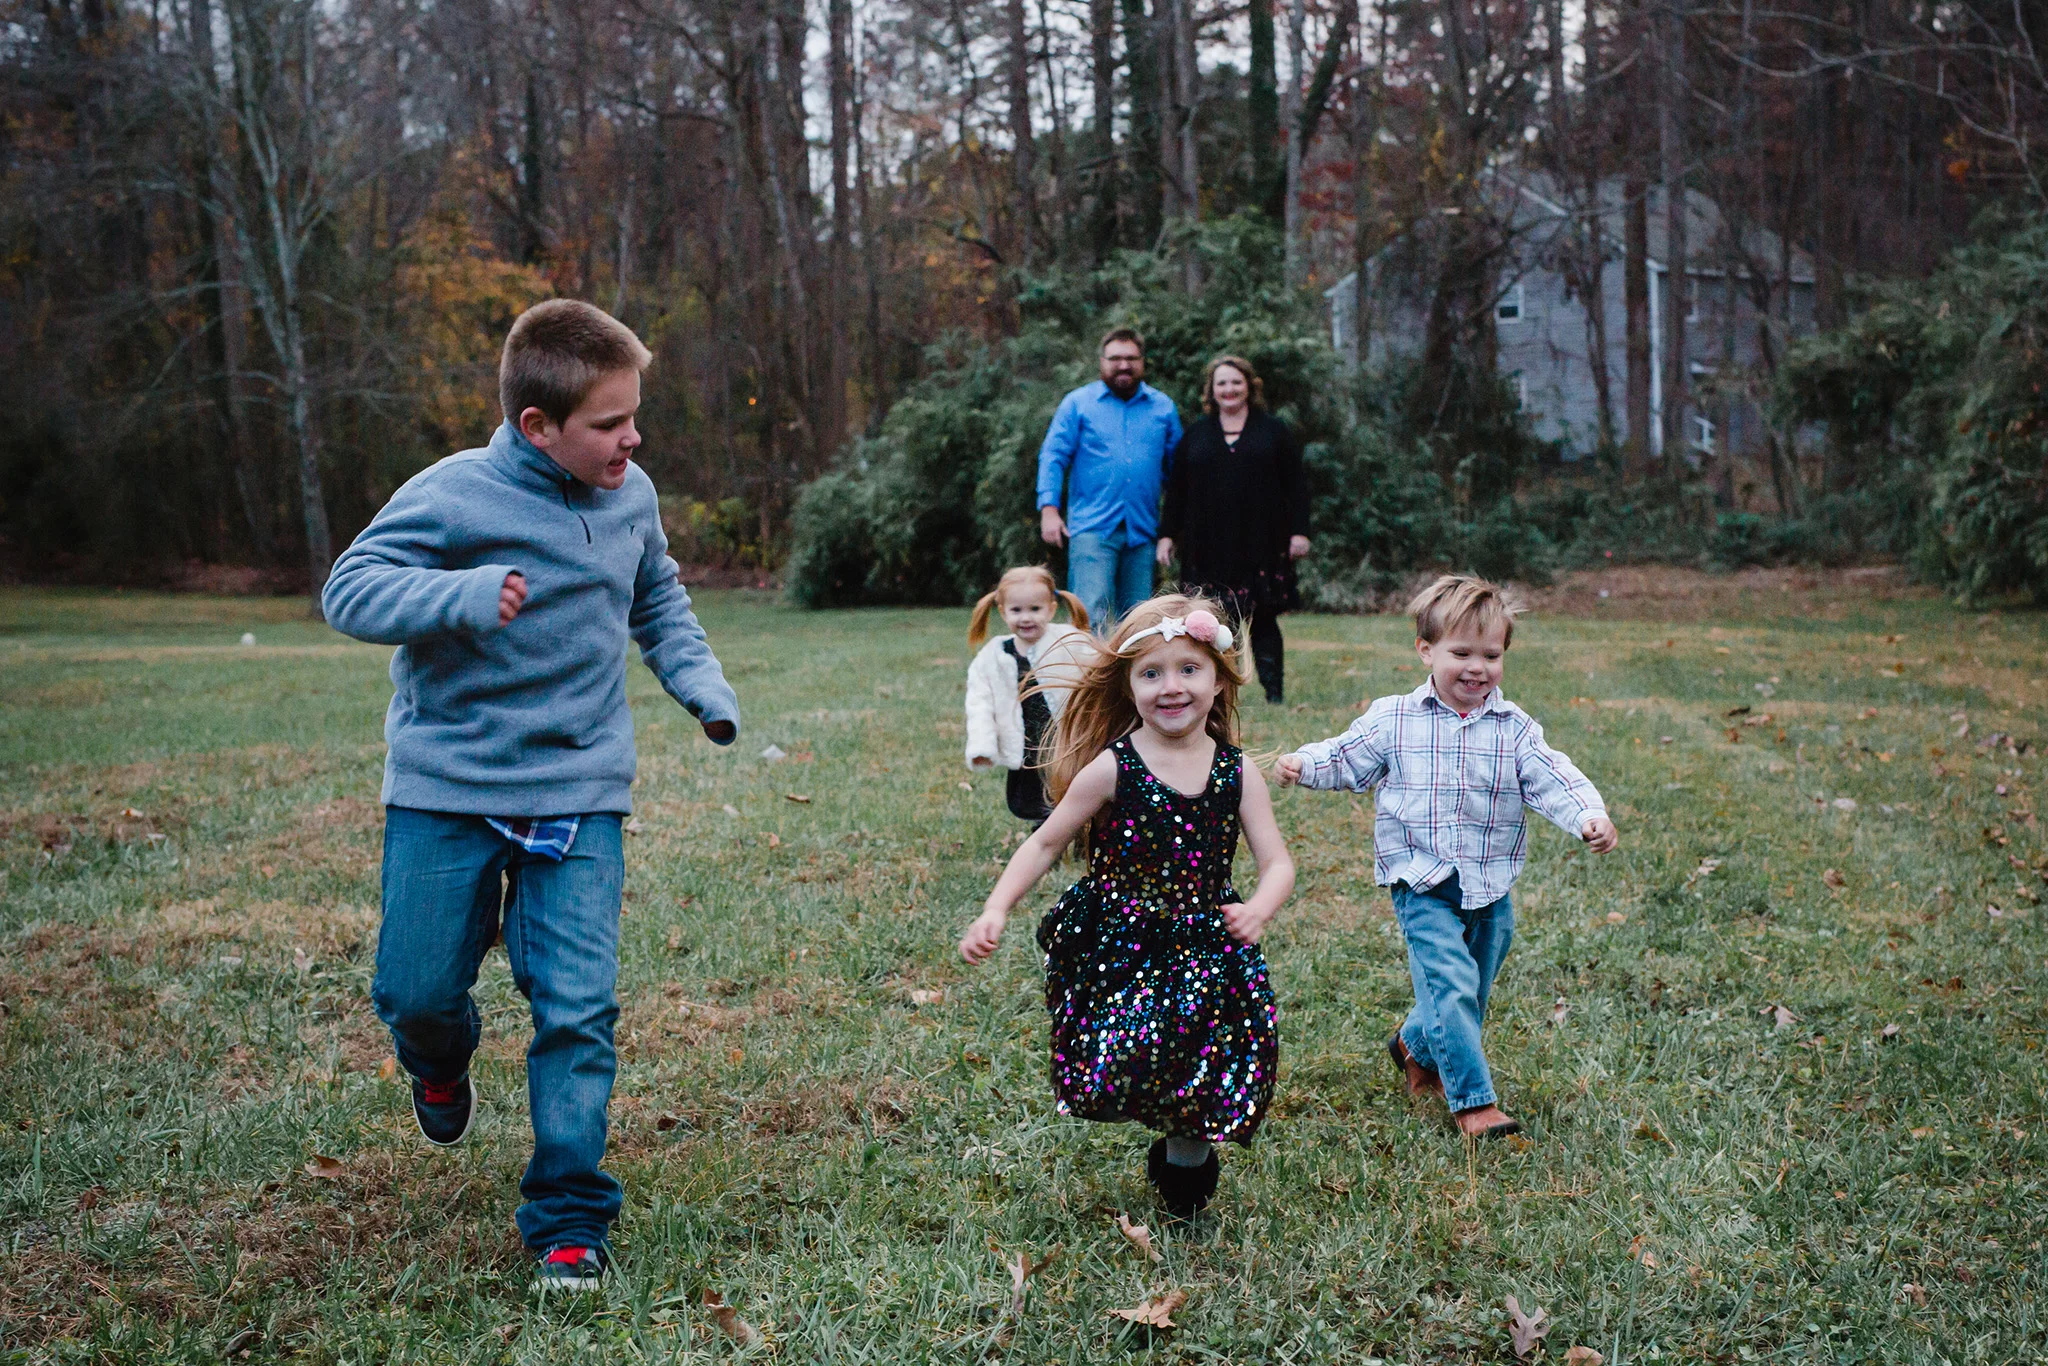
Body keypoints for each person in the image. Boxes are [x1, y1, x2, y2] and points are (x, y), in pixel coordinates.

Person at [321, 299, 742, 1291]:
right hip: (449, 784)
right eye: (608, 422)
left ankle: (565, 1216)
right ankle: (438, 1056)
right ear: (536, 427)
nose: (632, 439)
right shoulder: (454, 495)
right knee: (416, 987)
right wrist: (459, 596)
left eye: (634, 416)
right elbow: (350, 587)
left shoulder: (627, 493)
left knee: (577, 1007)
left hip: (581, 784)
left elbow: (658, 597)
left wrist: (703, 687)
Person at [959, 594, 1294, 1219]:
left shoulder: (1237, 772)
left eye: (1189, 669)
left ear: (1218, 678)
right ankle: (1171, 1141)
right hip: (1121, 942)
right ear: (1129, 685)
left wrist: (1260, 907)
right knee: (1136, 1059)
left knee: (1204, 1061)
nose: (1172, 687)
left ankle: (1185, 1177)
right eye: (1151, 673)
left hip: (1207, 942)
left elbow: (1277, 862)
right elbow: (1045, 843)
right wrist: (996, 908)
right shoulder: (1112, 769)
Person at [1274, 575, 1617, 1140]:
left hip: (1490, 884)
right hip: (1421, 880)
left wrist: (1588, 815)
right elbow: (1347, 757)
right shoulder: (1395, 719)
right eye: (1461, 653)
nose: (1476, 668)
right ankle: (1474, 1102)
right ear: (1426, 650)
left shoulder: (1515, 729)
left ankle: (1413, 1044)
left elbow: (1554, 776)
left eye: (1492, 655)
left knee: (1471, 989)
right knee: (1451, 985)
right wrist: (1304, 764)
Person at [1157, 354, 1310, 704]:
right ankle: (1220, 694)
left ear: (1249, 386)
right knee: (1210, 623)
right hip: (1206, 546)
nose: (1229, 389)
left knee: (1264, 620)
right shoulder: (1195, 434)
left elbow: (1297, 486)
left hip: (1262, 543)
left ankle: (1274, 693)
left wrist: (1299, 532)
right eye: (1221, 383)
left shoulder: (1273, 431)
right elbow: (1177, 491)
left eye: (1236, 382)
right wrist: (1167, 534)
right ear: (1211, 390)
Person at [1035, 328, 1184, 631]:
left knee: (1139, 620)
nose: (1124, 365)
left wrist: (1173, 526)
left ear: (1143, 362)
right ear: (1102, 361)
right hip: (1092, 527)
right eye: (1115, 358)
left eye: (1131, 358)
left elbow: (1178, 474)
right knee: (1090, 614)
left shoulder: (1163, 408)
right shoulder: (1077, 404)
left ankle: (1133, 679)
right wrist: (1049, 509)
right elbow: (1053, 456)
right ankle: (1088, 678)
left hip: (1142, 530)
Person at [964, 566, 1095, 823]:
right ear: (1002, 611)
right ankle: (1045, 833)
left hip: (1065, 741)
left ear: (1051, 608)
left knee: (1075, 790)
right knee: (1033, 800)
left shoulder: (1070, 641)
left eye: (1035, 609)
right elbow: (979, 704)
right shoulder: (992, 656)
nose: (1026, 618)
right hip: (1025, 746)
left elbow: (1099, 676)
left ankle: (1079, 831)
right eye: (1017, 610)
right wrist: (982, 745)